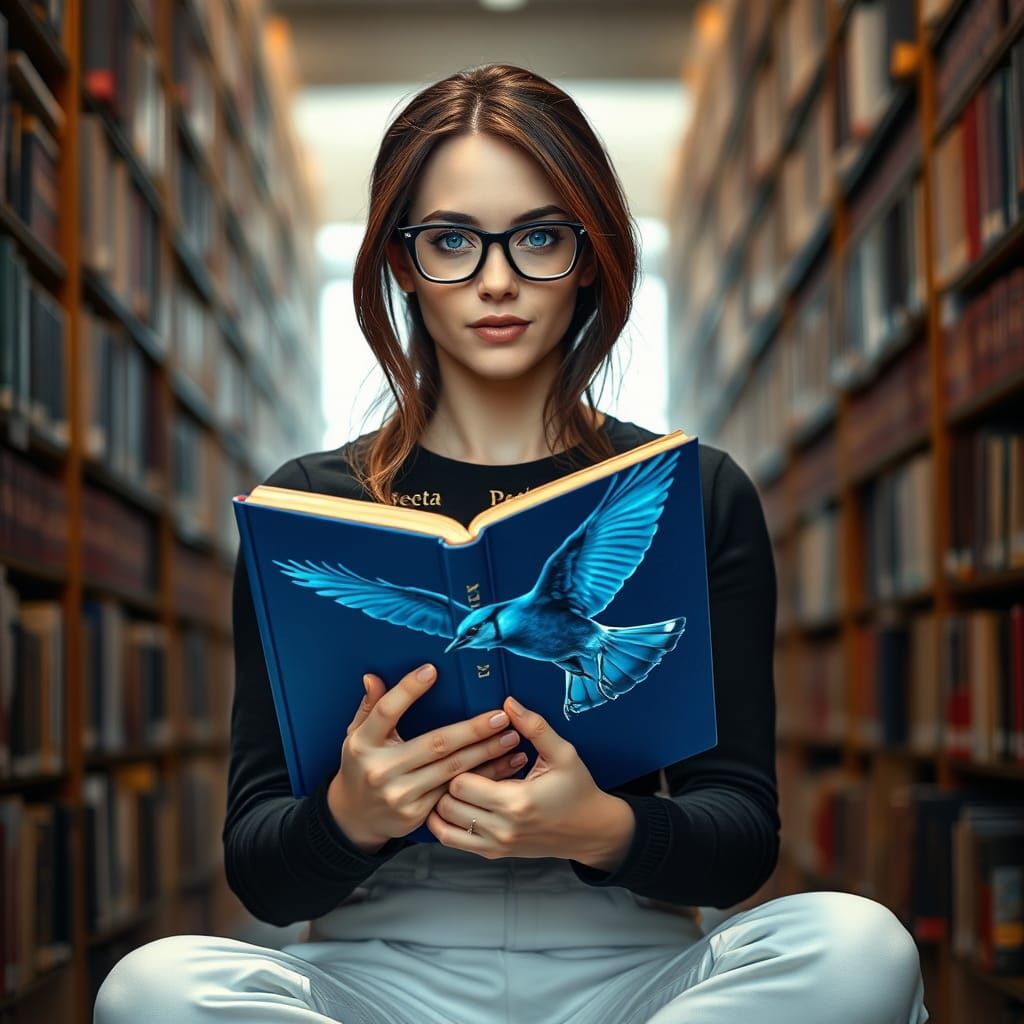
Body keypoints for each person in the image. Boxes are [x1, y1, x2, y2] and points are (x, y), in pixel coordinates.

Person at [94, 63, 929, 1024]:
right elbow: (261, 875)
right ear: (402, 263)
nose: (496, 280)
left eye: (538, 236)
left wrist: (604, 828)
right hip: (379, 972)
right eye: (451, 240)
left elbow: (740, 839)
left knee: (860, 945)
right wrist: (349, 817)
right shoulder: (308, 506)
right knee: (150, 990)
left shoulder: (695, 491)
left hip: (633, 973)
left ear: (590, 255)